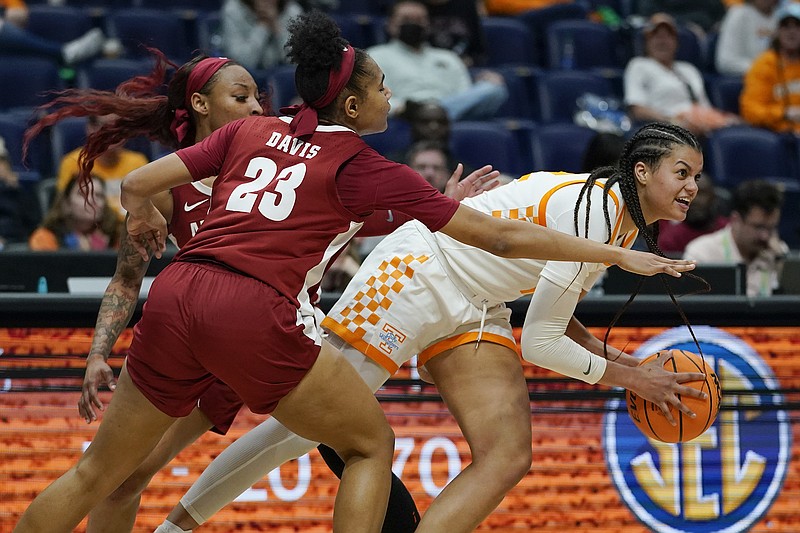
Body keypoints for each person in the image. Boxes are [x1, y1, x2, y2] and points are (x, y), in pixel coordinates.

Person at [14, 12, 696, 533]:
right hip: (276, 301)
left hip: (185, 290)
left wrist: (137, 215)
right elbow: (497, 237)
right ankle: (177, 526)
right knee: (367, 442)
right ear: (352, 104)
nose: (391, 94)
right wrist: (611, 257)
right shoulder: (364, 164)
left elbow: (138, 186)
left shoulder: (249, 134)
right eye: (380, 86)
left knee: (103, 471)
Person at [154, 123, 707, 533]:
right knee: (302, 427)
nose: (691, 188)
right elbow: (540, 344)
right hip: (420, 270)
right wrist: (633, 381)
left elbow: (552, 314)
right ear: (641, 172)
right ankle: (175, 527)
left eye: (697, 178)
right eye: (681, 173)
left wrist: (625, 363)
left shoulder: (617, 222)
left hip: (479, 301)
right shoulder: (590, 212)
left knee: (507, 454)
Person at [368, 0, 508, 121]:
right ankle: (430, 113)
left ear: (428, 25)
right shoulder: (376, 56)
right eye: (406, 19)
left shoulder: (448, 57)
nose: (413, 24)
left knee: (494, 89)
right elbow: (374, 96)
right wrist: (401, 108)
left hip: (449, 111)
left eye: (419, 20)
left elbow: (463, 95)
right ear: (390, 24)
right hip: (408, 112)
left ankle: (434, 113)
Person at [624, 13, 739, 137]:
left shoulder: (689, 69)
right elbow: (637, 110)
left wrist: (725, 119)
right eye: (656, 36)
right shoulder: (638, 65)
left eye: (668, 37)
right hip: (664, 128)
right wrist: (673, 122)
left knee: (737, 128)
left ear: (676, 43)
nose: (663, 41)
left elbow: (703, 106)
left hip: (699, 126)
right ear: (647, 42)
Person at [684, 178, 787, 296]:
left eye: (771, 228)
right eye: (758, 227)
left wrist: (778, 266)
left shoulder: (779, 253)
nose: (765, 236)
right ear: (735, 220)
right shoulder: (702, 254)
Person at [55, 114, 150, 215]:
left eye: (119, 126)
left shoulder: (138, 162)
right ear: (91, 129)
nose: (114, 133)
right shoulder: (73, 163)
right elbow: (64, 211)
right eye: (106, 127)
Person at [740, 2, 800, 133]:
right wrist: (784, 113)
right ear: (777, 31)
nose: (792, 32)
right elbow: (750, 111)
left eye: (797, 26)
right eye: (786, 26)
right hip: (781, 137)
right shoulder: (764, 64)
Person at [28, 174, 122, 251]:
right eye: (83, 194)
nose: (91, 200)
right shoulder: (45, 237)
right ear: (66, 204)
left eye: (98, 195)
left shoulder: (118, 236)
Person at [220, 0, 304, 71]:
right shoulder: (233, 10)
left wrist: (276, 28)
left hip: (285, 75)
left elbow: (296, 61)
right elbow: (241, 63)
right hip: (250, 76)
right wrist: (263, 27)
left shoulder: (292, 10)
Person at [659, 173, 729, 256]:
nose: (695, 200)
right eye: (689, 193)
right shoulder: (670, 239)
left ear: (713, 197)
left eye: (701, 193)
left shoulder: (728, 230)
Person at [715, 0, 778, 76]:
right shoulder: (738, 15)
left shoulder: (784, 17)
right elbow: (725, 62)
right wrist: (762, 68)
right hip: (744, 78)